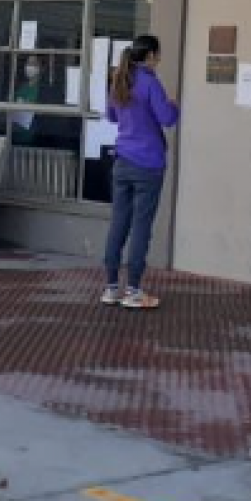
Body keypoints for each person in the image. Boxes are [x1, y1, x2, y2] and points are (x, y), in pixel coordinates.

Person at [101, 35, 179, 310]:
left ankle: (111, 287)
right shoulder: (149, 82)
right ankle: (133, 289)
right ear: (149, 56)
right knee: (141, 227)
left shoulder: (119, 79)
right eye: (158, 55)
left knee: (118, 224)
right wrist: (173, 105)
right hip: (148, 164)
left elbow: (111, 116)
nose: (159, 60)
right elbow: (167, 119)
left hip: (122, 161)